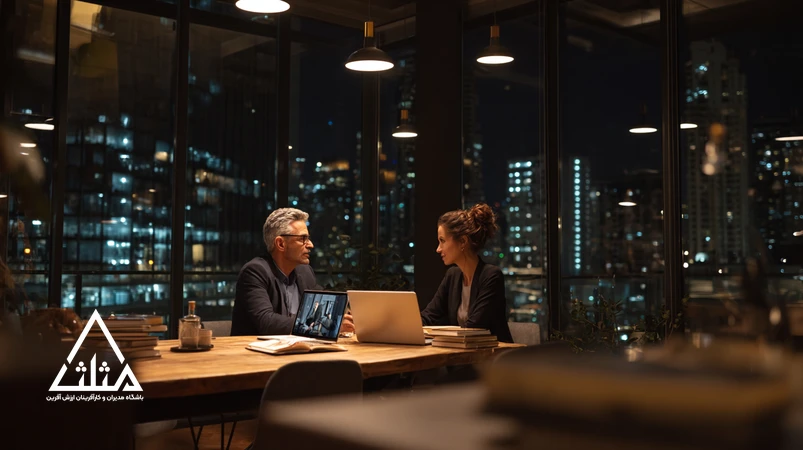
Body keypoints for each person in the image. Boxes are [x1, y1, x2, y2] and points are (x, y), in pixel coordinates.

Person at [231, 208, 355, 336]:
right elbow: (266, 322)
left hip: (296, 349)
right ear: (280, 244)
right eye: (303, 239)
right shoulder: (255, 272)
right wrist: (323, 325)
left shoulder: (304, 272)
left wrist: (345, 314)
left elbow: (323, 303)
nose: (310, 245)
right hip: (253, 352)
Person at [420, 203, 513, 343]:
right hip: (462, 357)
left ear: (463, 241)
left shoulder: (491, 276)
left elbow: (474, 328)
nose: (438, 249)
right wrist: (407, 326)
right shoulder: (452, 276)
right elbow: (429, 316)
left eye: (442, 241)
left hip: (492, 360)